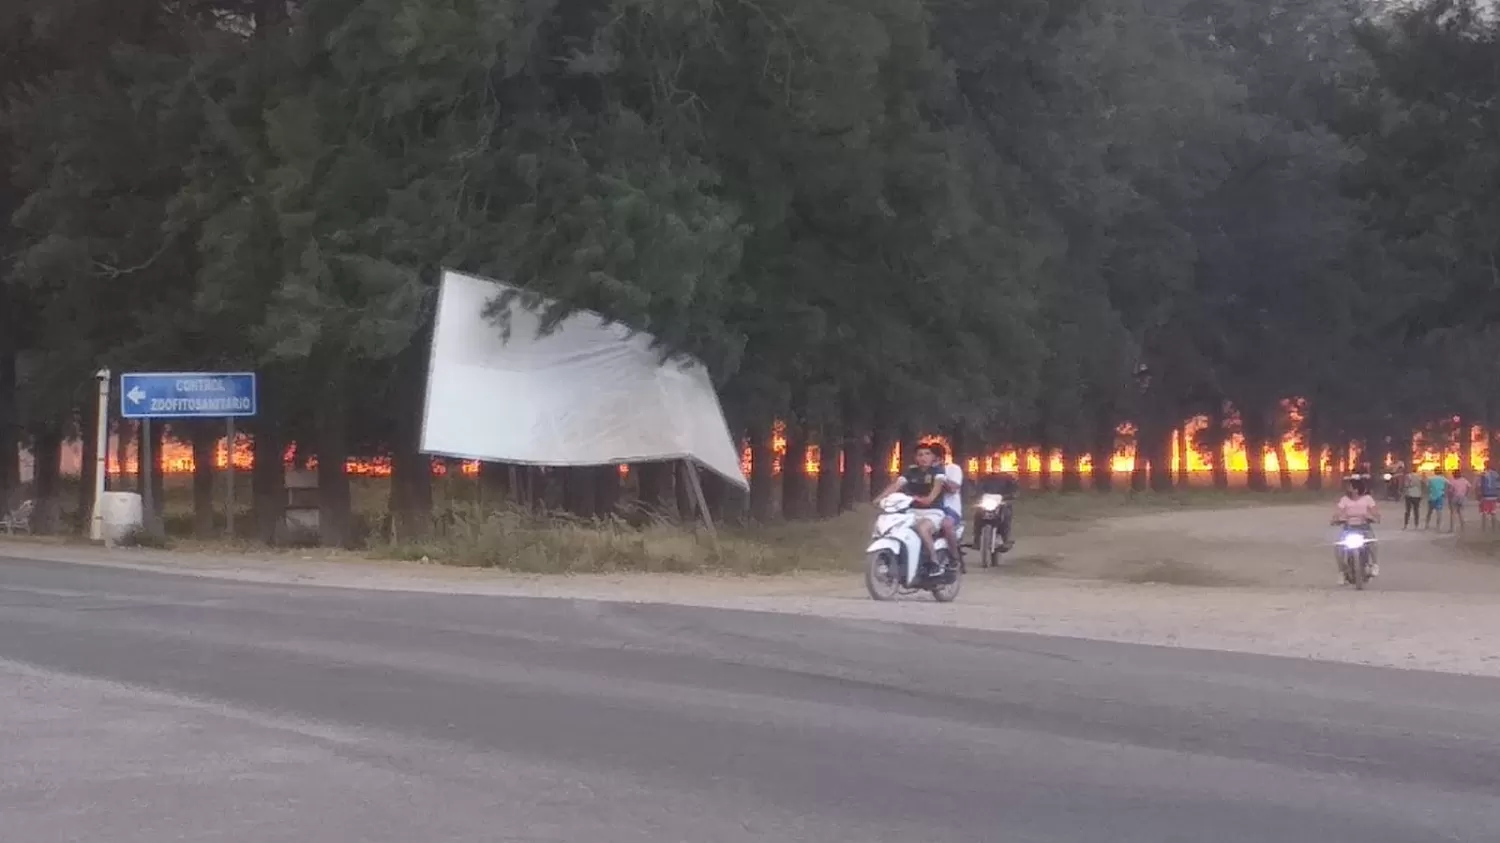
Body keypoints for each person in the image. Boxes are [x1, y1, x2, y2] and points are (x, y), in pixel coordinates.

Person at [872, 443, 948, 571]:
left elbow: (935, 491)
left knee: (922, 528)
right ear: (915, 458)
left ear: (933, 457)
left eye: (927, 454)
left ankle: (934, 561)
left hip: (933, 512)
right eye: (920, 454)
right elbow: (896, 486)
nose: (923, 457)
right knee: (893, 528)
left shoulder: (938, 472)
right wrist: (880, 498)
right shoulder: (911, 472)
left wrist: (926, 499)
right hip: (911, 512)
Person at [1332, 474, 1380, 582]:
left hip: (1364, 527)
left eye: (1350, 487)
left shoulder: (1367, 498)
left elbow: (1375, 511)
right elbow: (1338, 511)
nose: (1348, 489)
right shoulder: (1344, 499)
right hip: (1348, 528)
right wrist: (1336, 519)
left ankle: (1375, 565)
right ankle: (1341, 572)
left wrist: (1374, 517)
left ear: (1357, 488)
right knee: (1338, 547)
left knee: (1372, 543)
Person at [929, 443, 965, 567]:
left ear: (939, 458)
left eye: (930, 456)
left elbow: (953, 488)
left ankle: (954, 558)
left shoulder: (953, 469)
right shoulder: (922, 472)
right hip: (930, 508)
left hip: (950, 510)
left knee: (946, 524)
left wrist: (940, 476)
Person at [1448, 468, 1471, 533]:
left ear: (1454, 474)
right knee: (1461, 512)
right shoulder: (1464, 480)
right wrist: (1466, 494)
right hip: (1462, 497)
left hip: (1455, 497)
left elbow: (1450, 491)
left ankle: (1452, 529)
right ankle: (1463, 528)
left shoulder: (1452, 481)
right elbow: (1469, 486)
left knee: (1453, 514)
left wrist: (1449, 499)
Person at [1401, 465, 1424, 530]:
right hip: (1417, 495)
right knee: (1416, 510)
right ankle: (1416, 525)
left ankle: (1406, 525)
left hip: (1409, 495)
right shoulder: (1420, 476)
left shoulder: (1408, 476)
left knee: (1408, 511)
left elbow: (1406, 485)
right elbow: (1423, 485)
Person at [1479, 461, 1500, 532]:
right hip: (1494, 496)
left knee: (1484, 513)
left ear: (1485, 465)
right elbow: (1498, 485)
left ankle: (1484, 529)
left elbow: (1481, 486)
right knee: (1493, 512)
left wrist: (1480, 495)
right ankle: (1494, 529)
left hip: (1486, 496)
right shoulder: (1496, 474)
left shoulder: (1483, 474)